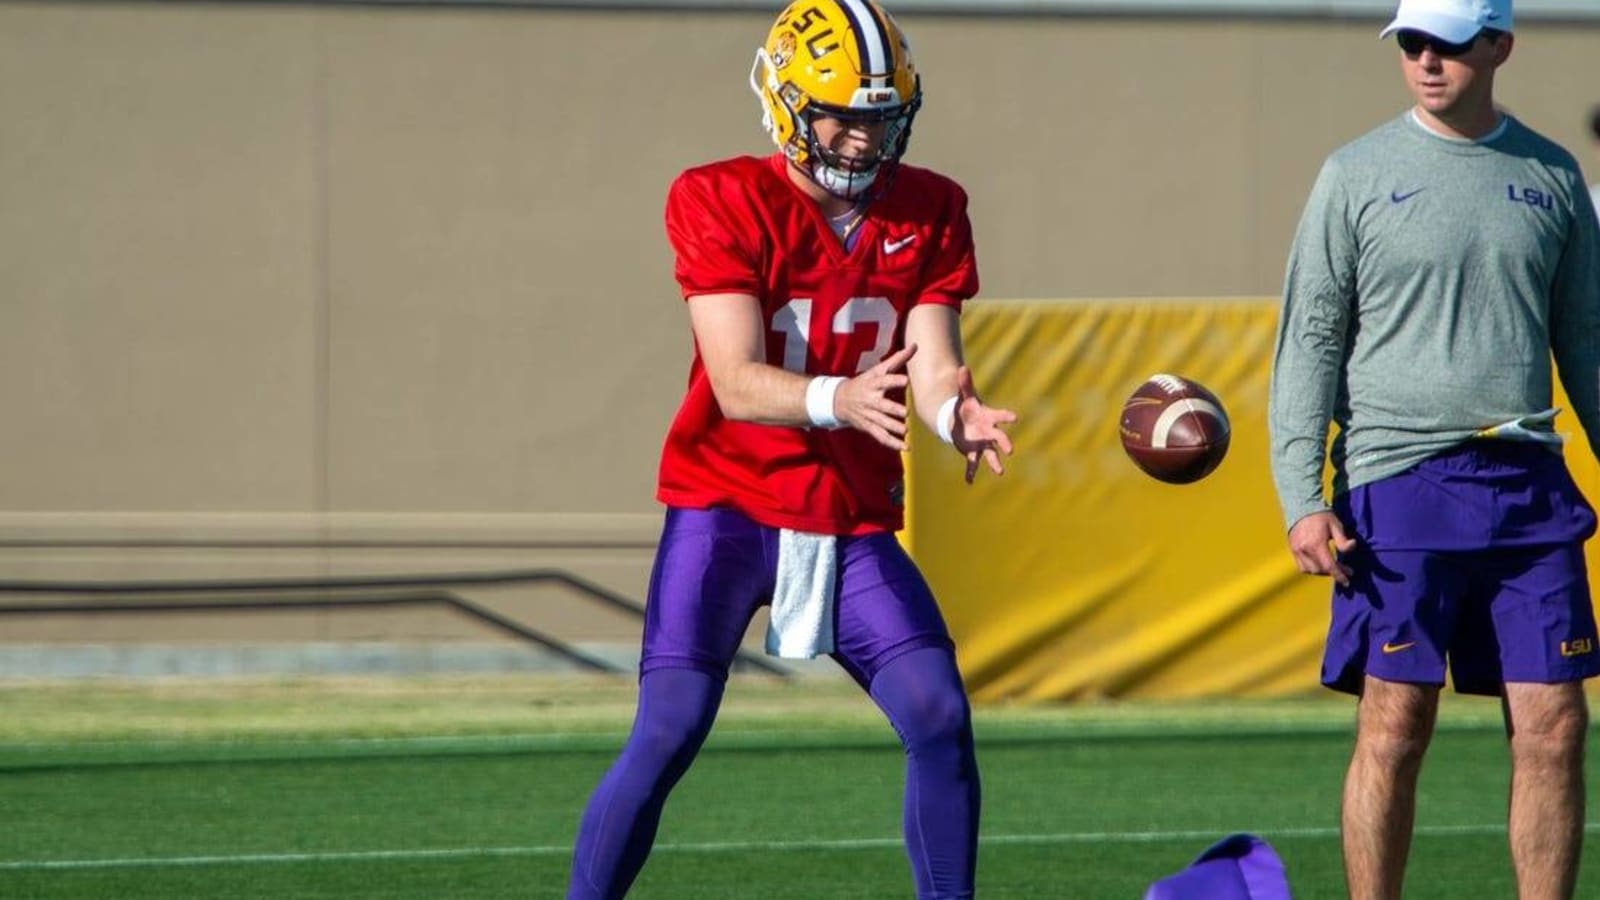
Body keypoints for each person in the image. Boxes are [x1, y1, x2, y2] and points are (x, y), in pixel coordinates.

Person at [564, 1, 1016, 897]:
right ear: (784, 102)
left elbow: (931, 360)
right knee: (670, 726)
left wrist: (950, 416)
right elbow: (735, 379)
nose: (859, 139)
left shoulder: (931, 208)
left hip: (848, 518)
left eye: (878, 118)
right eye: (841, 115)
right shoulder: (719, 196)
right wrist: (836, 398)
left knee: (937, 711)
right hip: (727, 506)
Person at [1268, 0, 1600, 898]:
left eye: (1449, 44)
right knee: (1396, 722)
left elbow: (1589, 344)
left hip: (1530, 487)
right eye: (1411, 42)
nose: (1425, 60)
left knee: (1556, 726)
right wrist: (1302, 495)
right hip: (1396, 484)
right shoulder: (1355, 174)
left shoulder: (1554, 176)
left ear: (1500, 47)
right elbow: (1310, 343)